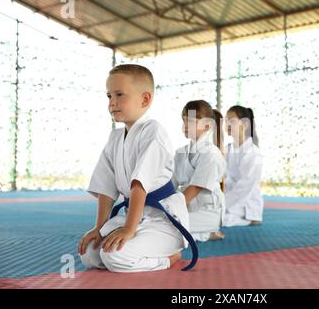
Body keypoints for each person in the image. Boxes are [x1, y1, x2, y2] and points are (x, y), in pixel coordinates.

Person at [78, 64, 195, 272]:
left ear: (145, 99)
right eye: (108, 96)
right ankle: (132, 245)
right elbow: (105, 188)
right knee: (89, 253)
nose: (112, 103)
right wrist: (99, 227)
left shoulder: (153, 132)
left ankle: (170, 257)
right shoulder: (115, 138)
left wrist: (129, 229)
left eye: (119, 95)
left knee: (114, 257)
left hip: (162, 221)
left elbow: (139, 184)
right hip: (132, 215)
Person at [172, 100, 226, 242]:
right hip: (185, 207)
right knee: (151, 221)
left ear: (207, 126)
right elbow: (171, 185)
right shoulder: (180, 153)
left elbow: (195, 187)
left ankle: (208, 231)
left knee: (165, 226)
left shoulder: (211, 153)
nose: (185, 126)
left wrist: (170, 209)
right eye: (184, 121)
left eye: (190, 121)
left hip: (207, 211)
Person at [223, 105, 264, 227]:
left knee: (215, 219)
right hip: (229, 199)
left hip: (246, 204)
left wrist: (222, 204)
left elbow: (245, 187)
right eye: (226, 121)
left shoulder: (253, 153)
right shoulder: (228, 149)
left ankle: (251, 220)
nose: (227, 124)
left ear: (245, 124)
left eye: (232, 121)